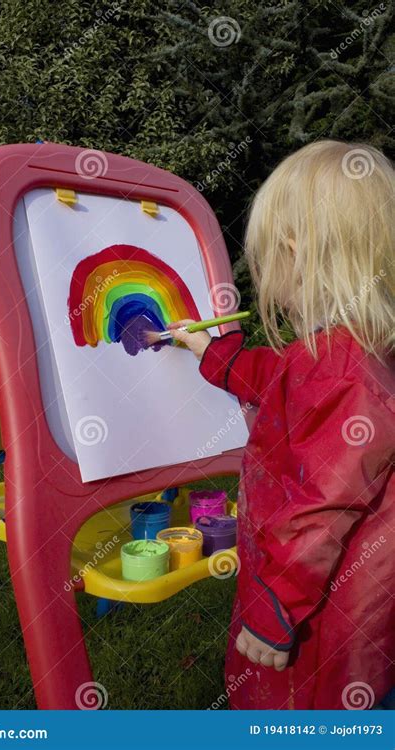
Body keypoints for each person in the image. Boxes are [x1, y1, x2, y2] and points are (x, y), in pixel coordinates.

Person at [171, 140, 394, 709]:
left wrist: (276, 606)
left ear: (293, 254)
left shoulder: (344, 369)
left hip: (328, 611)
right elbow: (276, 379)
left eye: (266, 258)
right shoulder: (345, 354)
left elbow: (323, 507)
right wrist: (209, 351)